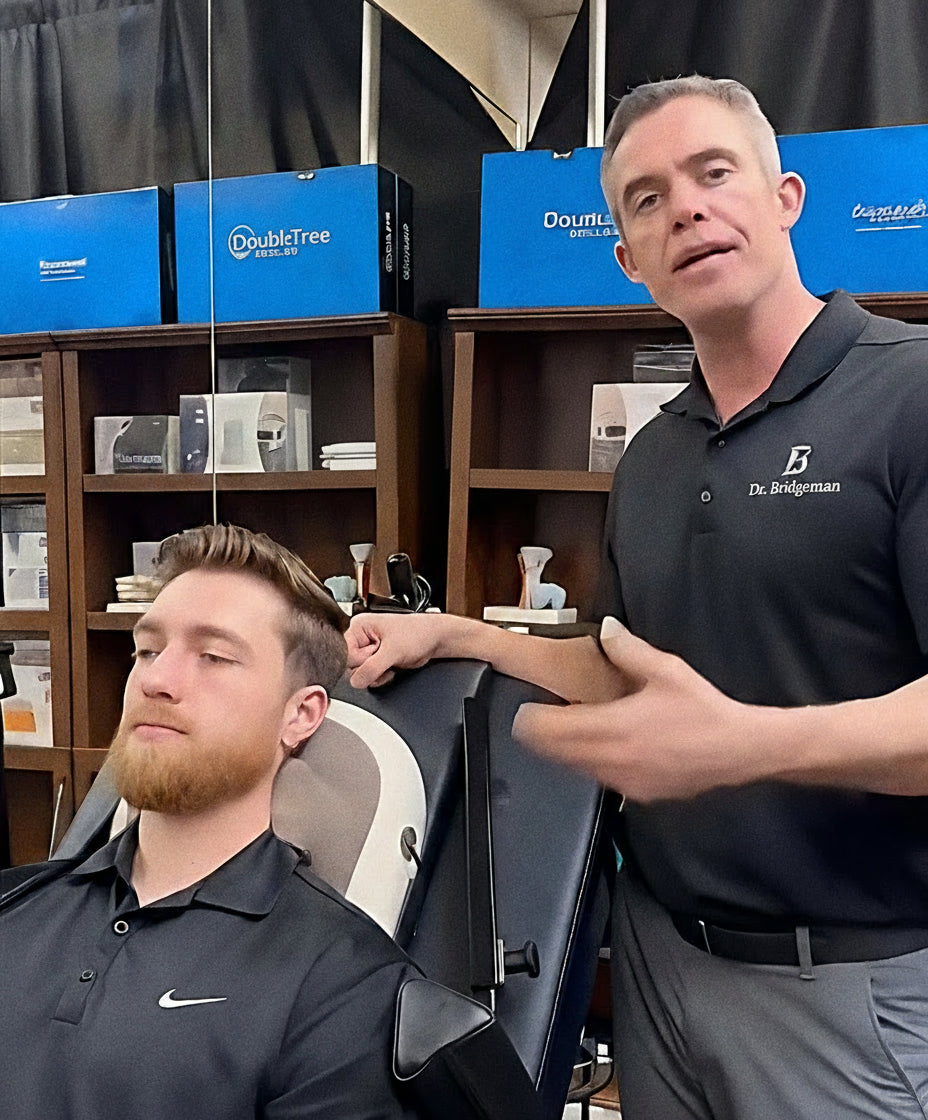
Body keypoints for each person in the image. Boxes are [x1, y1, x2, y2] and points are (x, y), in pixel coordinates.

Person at [346, 76, 928, 1119]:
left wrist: (744, 745)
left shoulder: (909, 395)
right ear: (628, 259)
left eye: (714, 173)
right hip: (658, 973)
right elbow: (625, 663)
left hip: (847, 987)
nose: (686, 210)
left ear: (785, 198)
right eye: (647, 199)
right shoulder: (654, 455)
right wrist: (456, 632)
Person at [0, 524, 422, 1120]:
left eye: (214, 656)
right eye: (147, 651)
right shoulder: (15, 909)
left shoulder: (346, 986)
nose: (155, 681)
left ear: (301, 714)